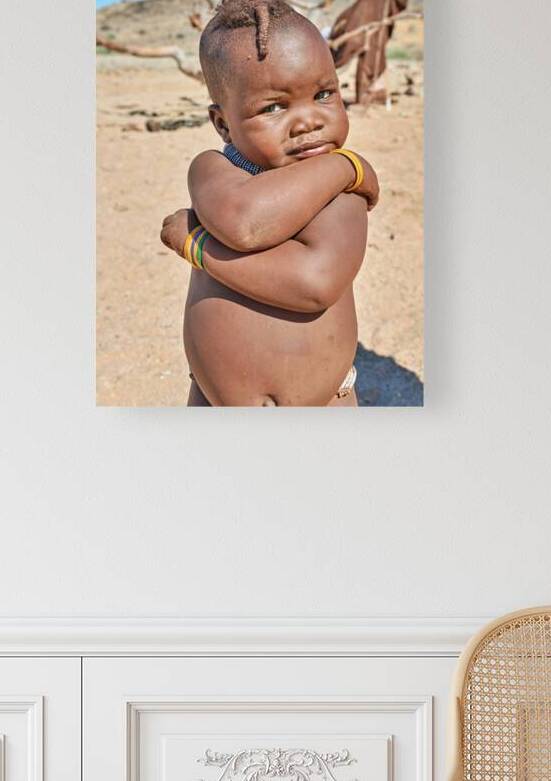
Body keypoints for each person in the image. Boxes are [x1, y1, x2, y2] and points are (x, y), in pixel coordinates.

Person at [160, 0, 379, 406]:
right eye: (274, 107)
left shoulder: (339, 194)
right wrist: (350, 165)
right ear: (223, 124)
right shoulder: (213, 170)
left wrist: (199, 247)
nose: (308, 121)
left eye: (324, 93)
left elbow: (314, 283)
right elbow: (246, 222)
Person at [329, 0, 408, 105]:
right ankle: (366, 93)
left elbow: (400, 4)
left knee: (372, 56)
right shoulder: (366, 7)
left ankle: (370, 93)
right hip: (364, 31)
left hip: (375, 29)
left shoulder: (377, 7)